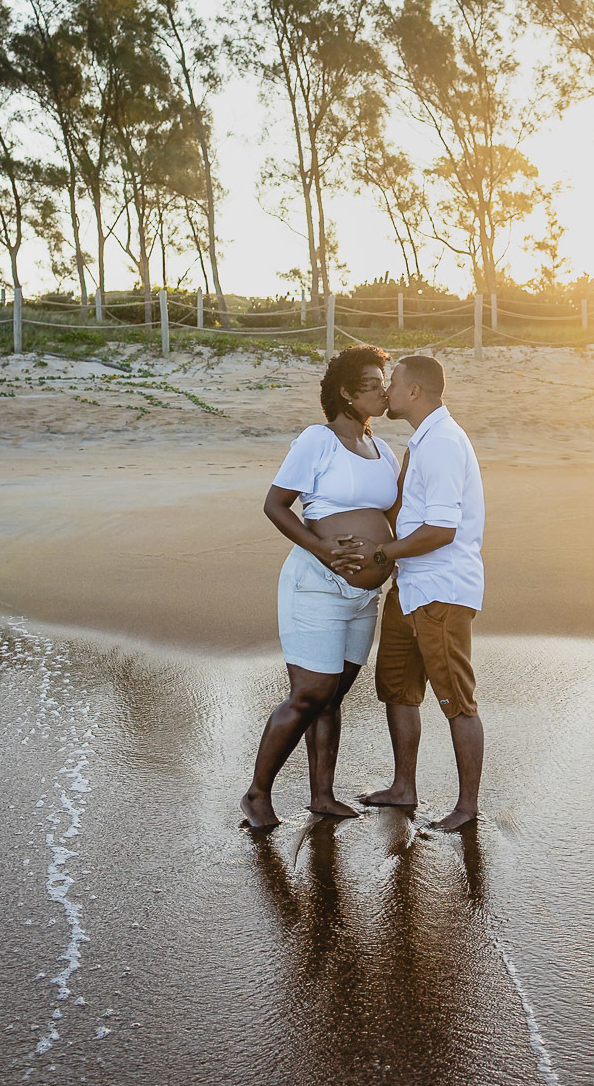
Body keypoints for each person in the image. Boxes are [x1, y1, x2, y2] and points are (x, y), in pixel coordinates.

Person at [240, 345, 400, 829]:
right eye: (372, 383)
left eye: (384, 381)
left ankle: (322, 795)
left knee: (334, 697)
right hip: (316, 586)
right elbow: (276, 505)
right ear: (347, 393)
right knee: (310, 694)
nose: (383, 390)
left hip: (363, 596)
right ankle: (256, 794)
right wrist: (322, 548)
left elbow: (389, 516)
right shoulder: (318, 440)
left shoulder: (384, 449)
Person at [333, 355, 485, 832]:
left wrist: (382, 553)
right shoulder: (422, 441)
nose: (386, 393)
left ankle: (466, 807)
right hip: (410, 586)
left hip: (441, 590)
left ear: (414, 392)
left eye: (392, 384)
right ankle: (404, 787)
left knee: (455, 698)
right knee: (398, 687)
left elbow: (442, 529)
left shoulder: (441, 443)